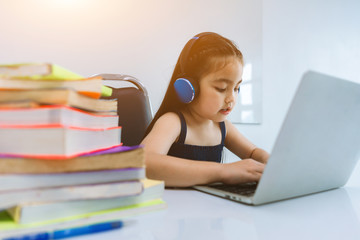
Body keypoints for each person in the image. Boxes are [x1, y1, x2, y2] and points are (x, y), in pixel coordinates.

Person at [141, 32, 269, 187]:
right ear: (189, 88)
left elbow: (252, 152)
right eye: (221, 88)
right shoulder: (173, 122)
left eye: (236, 88)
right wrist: (222, 171)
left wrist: (267, 160)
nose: (232, 99)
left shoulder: (222, 127)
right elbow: (143, 162)